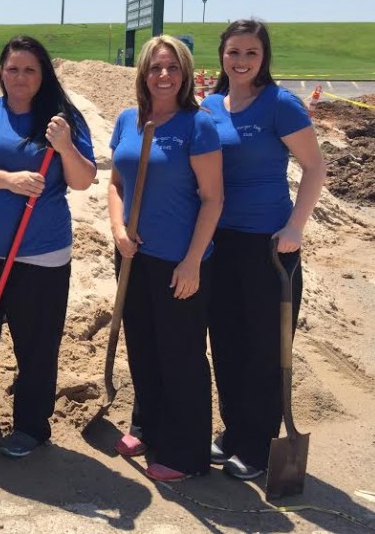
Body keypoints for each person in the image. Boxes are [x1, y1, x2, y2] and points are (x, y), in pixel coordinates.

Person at [0, 36, 97, 458]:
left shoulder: (62, 119)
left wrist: (65, 146)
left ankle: (32, 426)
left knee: (35, 344)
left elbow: (83, 179)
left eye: (29, 70)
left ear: (43, 75)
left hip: (41, 257)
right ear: (1, 72)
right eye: (12, 69)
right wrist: (9, 180)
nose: (20, 77)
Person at [202, 19, 325, 480]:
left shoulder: (281, 105)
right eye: (234, 52)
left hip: (271, 247)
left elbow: (314, 168)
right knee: (227, 342)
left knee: (265, 347)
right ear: (222, 56)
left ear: (263, 57)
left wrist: (295, 226)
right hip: (220, 243)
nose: (241, 61)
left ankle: (257, 443)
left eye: (251, 53)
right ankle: (234, 431)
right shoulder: (210, 106)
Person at [107, 35, 223, 482]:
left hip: (181, 261)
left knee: (182, 356)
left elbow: (213, 199)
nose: (163, 75)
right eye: (155, 67)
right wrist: (118, 231)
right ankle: (148, 427)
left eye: (172, 68)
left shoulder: (198, 125)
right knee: (144, 348)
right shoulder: (127, 120)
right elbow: (117, 184)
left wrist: (193, 261)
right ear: (143, 72)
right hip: (134, 257)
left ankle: (186, 452)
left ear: (186, 73)